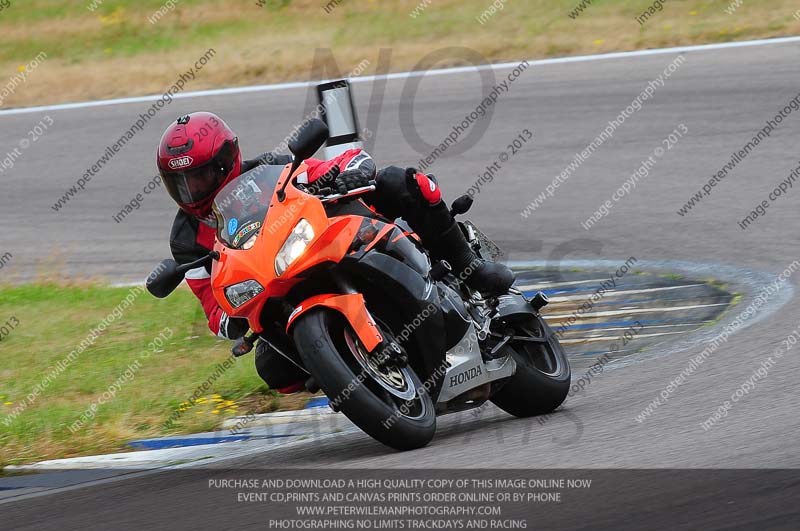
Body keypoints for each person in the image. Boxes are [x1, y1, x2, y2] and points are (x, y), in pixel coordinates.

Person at [156, 111, 514, 392]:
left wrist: (348, 171)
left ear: (225, 160)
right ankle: (343, 368)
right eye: (181, 184)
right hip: (274, 288)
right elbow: (211, 307)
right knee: (272, 367)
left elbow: (320, 168)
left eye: (200, 178)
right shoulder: (186, 241)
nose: (192, 191)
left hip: (322, 244)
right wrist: (229, 321)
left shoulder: (268, 170)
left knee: (401, 183)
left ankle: (471, 268)